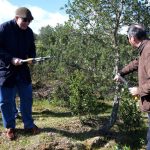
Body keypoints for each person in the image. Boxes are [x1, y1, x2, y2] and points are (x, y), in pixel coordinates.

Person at [0, 7, 40, 140]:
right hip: (6, 71)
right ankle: (10, 127)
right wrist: (11, 59)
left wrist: (32, 58)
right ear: (17, 17)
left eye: (29, 21)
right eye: (25, 20)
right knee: (6, 101)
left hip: (23, 71)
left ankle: (28, 125)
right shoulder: (4, 28)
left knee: (27, 98)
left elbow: (32, 48)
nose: (27, 23)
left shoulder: (29, 32)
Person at [114, 24, 150, 150]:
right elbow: (136, 63)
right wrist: (121, 73)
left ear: (133, 38)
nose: (128, 40)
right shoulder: (145, 49)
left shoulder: (148, 51)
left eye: (128, 37)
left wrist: (139, 90)